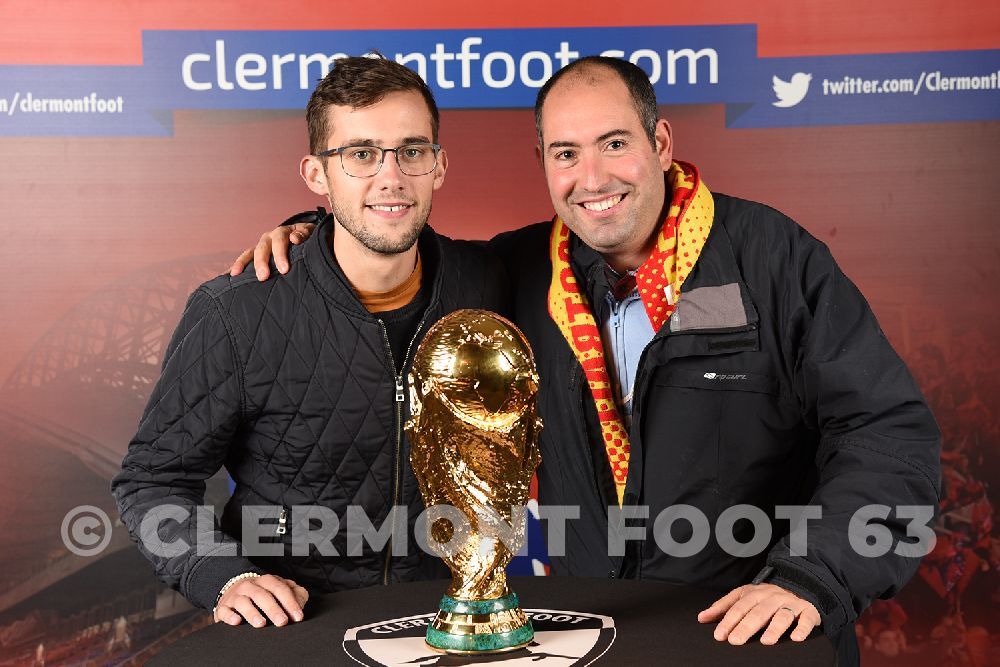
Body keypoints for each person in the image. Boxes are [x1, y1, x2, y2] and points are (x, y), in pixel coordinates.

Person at [234, 56, 940, 662]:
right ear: (543, 164)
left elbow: (886, 434)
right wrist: (315, 237)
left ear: (661, 142)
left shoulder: (773, 260)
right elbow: (395, 255)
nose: (591, 176)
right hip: (604, 635)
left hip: (756, 634)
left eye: (613, 143)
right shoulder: (518, 273)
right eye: (566, 152)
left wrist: (814, 575)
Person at [112, 56, 507, 629]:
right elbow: (153, 480)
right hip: (297, 627)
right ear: (317, 174)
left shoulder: (490, 281)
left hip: (452, 623)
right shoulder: (237, 311)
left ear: (439, 165)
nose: (390, 176)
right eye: (360, 154)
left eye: (412, 151)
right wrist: (220, 574)